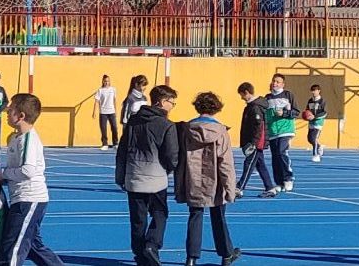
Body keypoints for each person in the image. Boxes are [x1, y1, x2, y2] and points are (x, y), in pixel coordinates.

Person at [0, 93, 65, 266]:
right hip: (20, 198)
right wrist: (4, 178)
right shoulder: (16, 138)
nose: (6, 111)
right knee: (33, 246)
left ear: (21, 116)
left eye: (10, 109)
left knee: (13, 248)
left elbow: (28, 170)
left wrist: (3, 173)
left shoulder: (29, 139)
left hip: (29, 199)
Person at [175, 92, 240, 266]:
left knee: (195, 216)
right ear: (216, 108)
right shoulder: (221, 131)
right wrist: (230, 188)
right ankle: (226, 254)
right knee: (219, 217)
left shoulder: (187, 129)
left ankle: (191, 257)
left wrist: (179, 185)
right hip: (215, 181)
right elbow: (225, 163)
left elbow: (181, 159)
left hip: (193, 179)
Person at [117, 85, 180, 266]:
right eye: (172, 102)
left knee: (138, 219)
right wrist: (169, 169)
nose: (172, 106)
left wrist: (120, 176)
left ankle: (139, 255)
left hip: (133, 176)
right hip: (156, 178)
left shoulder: (133, 122)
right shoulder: (167, 125)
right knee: (160, 213)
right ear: (162, 101)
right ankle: (152, 244)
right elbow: (171, 155)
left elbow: (122, 150)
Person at [233, 83, 276, 198]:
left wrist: (253, 143)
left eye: (242, 95)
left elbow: (258, 126)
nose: (241, 98)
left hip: (256, 142)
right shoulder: (251, 106)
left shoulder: (255, 107)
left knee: (249, 163)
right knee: (260, 164)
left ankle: (239, 188)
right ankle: (270, 188)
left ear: (247, 92)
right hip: (254, 141)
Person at [262, 75, 298, 192]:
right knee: (275, 157)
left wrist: (284, 113)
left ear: (283, 84)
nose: (275, 83)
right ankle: (279, 182)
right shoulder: (267, 98)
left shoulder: (288, 95)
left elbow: (296, 112)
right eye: (274, 81)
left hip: (286, 130)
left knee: (282, 153)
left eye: (278, 82)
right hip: (273, 131)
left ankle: (288, 178)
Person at [304, 85, 329, 163]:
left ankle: (316, 155)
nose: (313, 92)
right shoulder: (310, 101)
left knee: (314, 138)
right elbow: (307, 110)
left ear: (319, 91)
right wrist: (306, 116)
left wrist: (315, 116)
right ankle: (319, 146)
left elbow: (325, 113)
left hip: (318, 123)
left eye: (315, 90)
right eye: (312, 90)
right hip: (311, 122)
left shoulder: (322, 101)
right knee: (309, 139)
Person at [96, 75, 120, 150]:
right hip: (103, 112)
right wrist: (94, 112)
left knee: (114, 127)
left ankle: (115, 143)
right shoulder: (100, 90)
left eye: (108, 81)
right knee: (103, 129)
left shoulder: (113, 89)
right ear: (103, 81)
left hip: (111, 111)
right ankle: (105, 144)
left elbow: (114, 100)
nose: (106, 82)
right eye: (105, 81)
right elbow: (96, 101)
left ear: (109, 81)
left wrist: (115, 111)